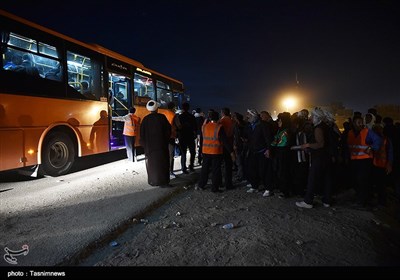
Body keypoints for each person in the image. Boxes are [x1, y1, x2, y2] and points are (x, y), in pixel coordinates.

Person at [196, 111, 235, 193]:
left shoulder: (204, 127)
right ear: (217, 118)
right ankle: (215, 188)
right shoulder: (219, 127)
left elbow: (202, 139)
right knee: (216, 170)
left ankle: (201, 185)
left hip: (205, 151)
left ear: (209, 118)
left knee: (205, 169)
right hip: (216, 151)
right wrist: (231, 152)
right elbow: (225, 141)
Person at [140, 100, 172, 187]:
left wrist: (145, 145)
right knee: (163, 164)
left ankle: (152, 181)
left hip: (149, 148)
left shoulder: (145, 119)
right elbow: (168, 130)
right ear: (157, 108)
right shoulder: (162, 117)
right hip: (161, 147)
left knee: (151, 164)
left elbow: (142, 134)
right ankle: (163, 182)